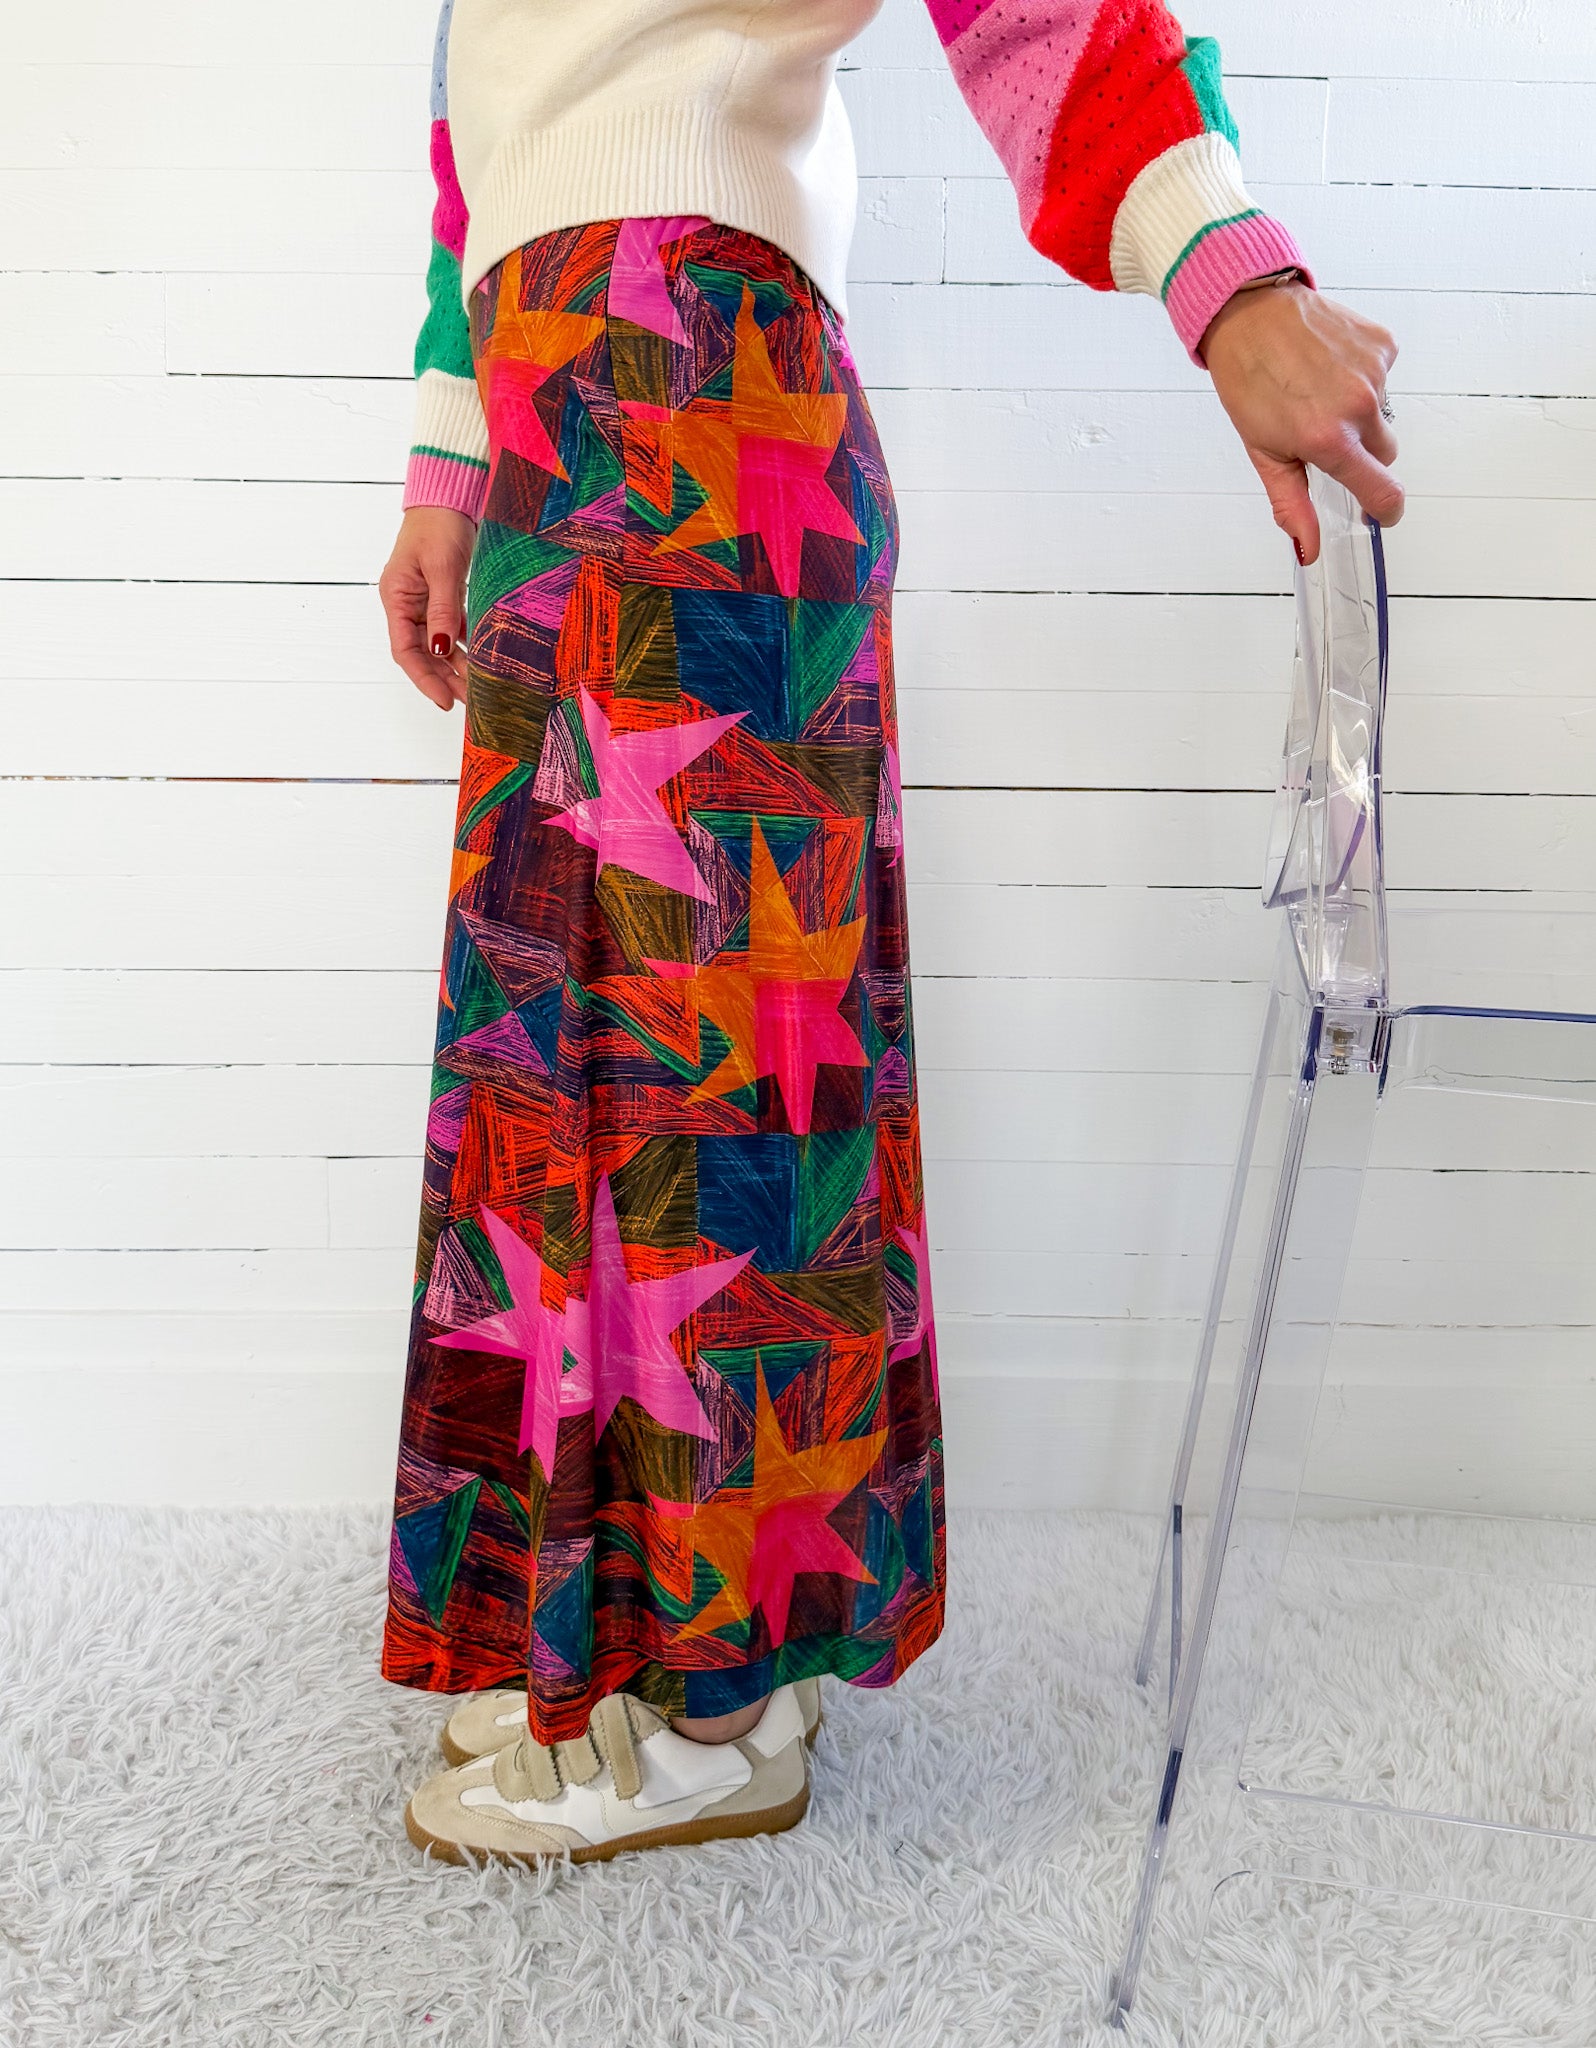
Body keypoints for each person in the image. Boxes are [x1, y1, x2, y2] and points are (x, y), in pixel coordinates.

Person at [377, 0, 1403, 1870]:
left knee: (701, 1072)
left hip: (690, 373)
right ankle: (623, 1631)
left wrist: (1225, 275)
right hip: (565, 404)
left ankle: (717, 1699)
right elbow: (489, 132)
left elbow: (1045, 14)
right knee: (582, 1036)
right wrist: (454, 464)